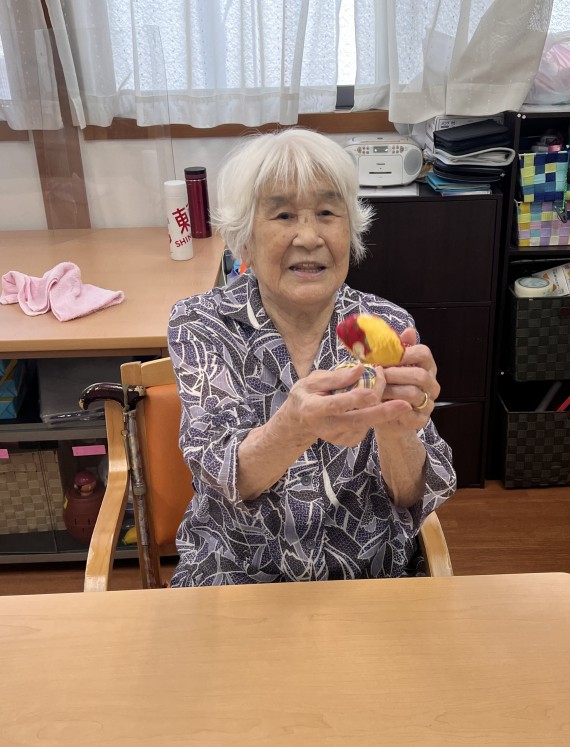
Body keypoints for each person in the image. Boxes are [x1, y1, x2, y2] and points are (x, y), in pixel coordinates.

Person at [167, 127, 456, 586]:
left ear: (350, 229)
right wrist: (294, 426)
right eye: (283, 215)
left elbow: (409, 496)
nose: (308, 236)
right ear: (245, 239)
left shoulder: (384, 323)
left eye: (326, 213)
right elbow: (224, 476)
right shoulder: (201, 324)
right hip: (238, 576)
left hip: (367, 579)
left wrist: (398, 426)